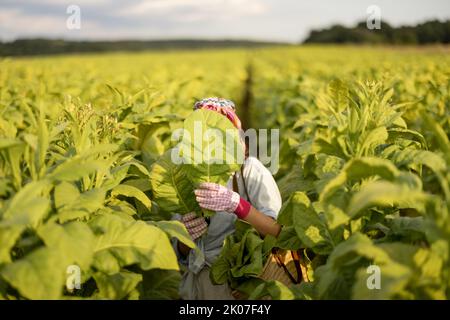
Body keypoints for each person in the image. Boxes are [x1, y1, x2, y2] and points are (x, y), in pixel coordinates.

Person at [172, 97, 282, 300]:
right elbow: (179, 254)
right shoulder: (183, 178)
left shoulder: (249, 170)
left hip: (240, 288)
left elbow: (277, 232)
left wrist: (238, 205)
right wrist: (184, 239)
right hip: (196, 290)